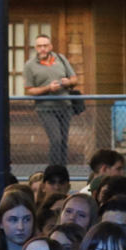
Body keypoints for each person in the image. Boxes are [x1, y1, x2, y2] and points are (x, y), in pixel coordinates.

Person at [25, 34, 81, 167]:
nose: (42, 49)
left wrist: (68, 83)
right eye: (39, 46)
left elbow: (75, 79)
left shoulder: (61, 58)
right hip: (45, 108)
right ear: (35, 48)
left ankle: (63, 171)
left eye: (45, 45)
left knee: (63, 141)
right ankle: (54, 170)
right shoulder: (30, 65)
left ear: (50, 46)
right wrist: (48, 88)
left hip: (65, 106)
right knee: (55, 140)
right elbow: (30, 90)